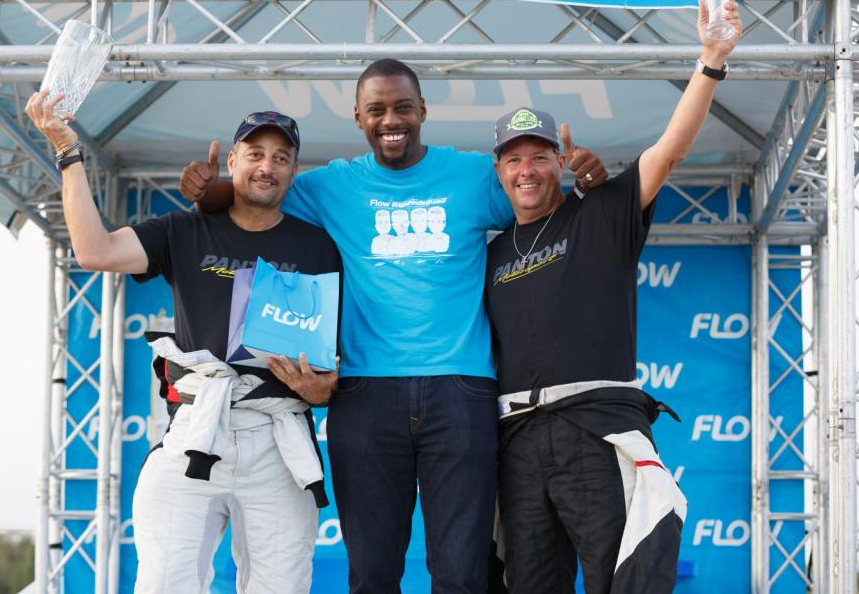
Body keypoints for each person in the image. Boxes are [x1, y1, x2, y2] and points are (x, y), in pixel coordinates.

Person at [178, 59, 608, 593]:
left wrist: (587, 182)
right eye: (377, 109)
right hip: (365, 394)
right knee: (373, 573)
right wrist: (209, 190)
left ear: (423, 110)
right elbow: (256, 198)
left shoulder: (474, 175)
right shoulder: (331, 185)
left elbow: (541, 203)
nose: (391, 119)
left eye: (403, 106)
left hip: (462, 391)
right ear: (357, 117)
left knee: (462, 570)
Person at [24, 97, 340, 594]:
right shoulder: (183, 230)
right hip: (196, 430)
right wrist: (68, 153)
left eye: (281, 157)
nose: (267, 166)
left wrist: (324, 390)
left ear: (294, 170)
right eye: (255, 153)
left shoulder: (318, 246)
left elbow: (331, 358)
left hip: (280, 442)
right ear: (232, 160)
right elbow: (93, 250)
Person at [485, 0, 742, 593]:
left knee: (619, 579)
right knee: (527, 584)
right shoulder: (491, 252)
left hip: (596, 430)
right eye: (513, 160)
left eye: (539, 157)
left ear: (559, 160)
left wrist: (710, 59)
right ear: (498, 171)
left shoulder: (600, 213)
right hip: (517, 440)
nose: (527, 170)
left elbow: (669, 150)